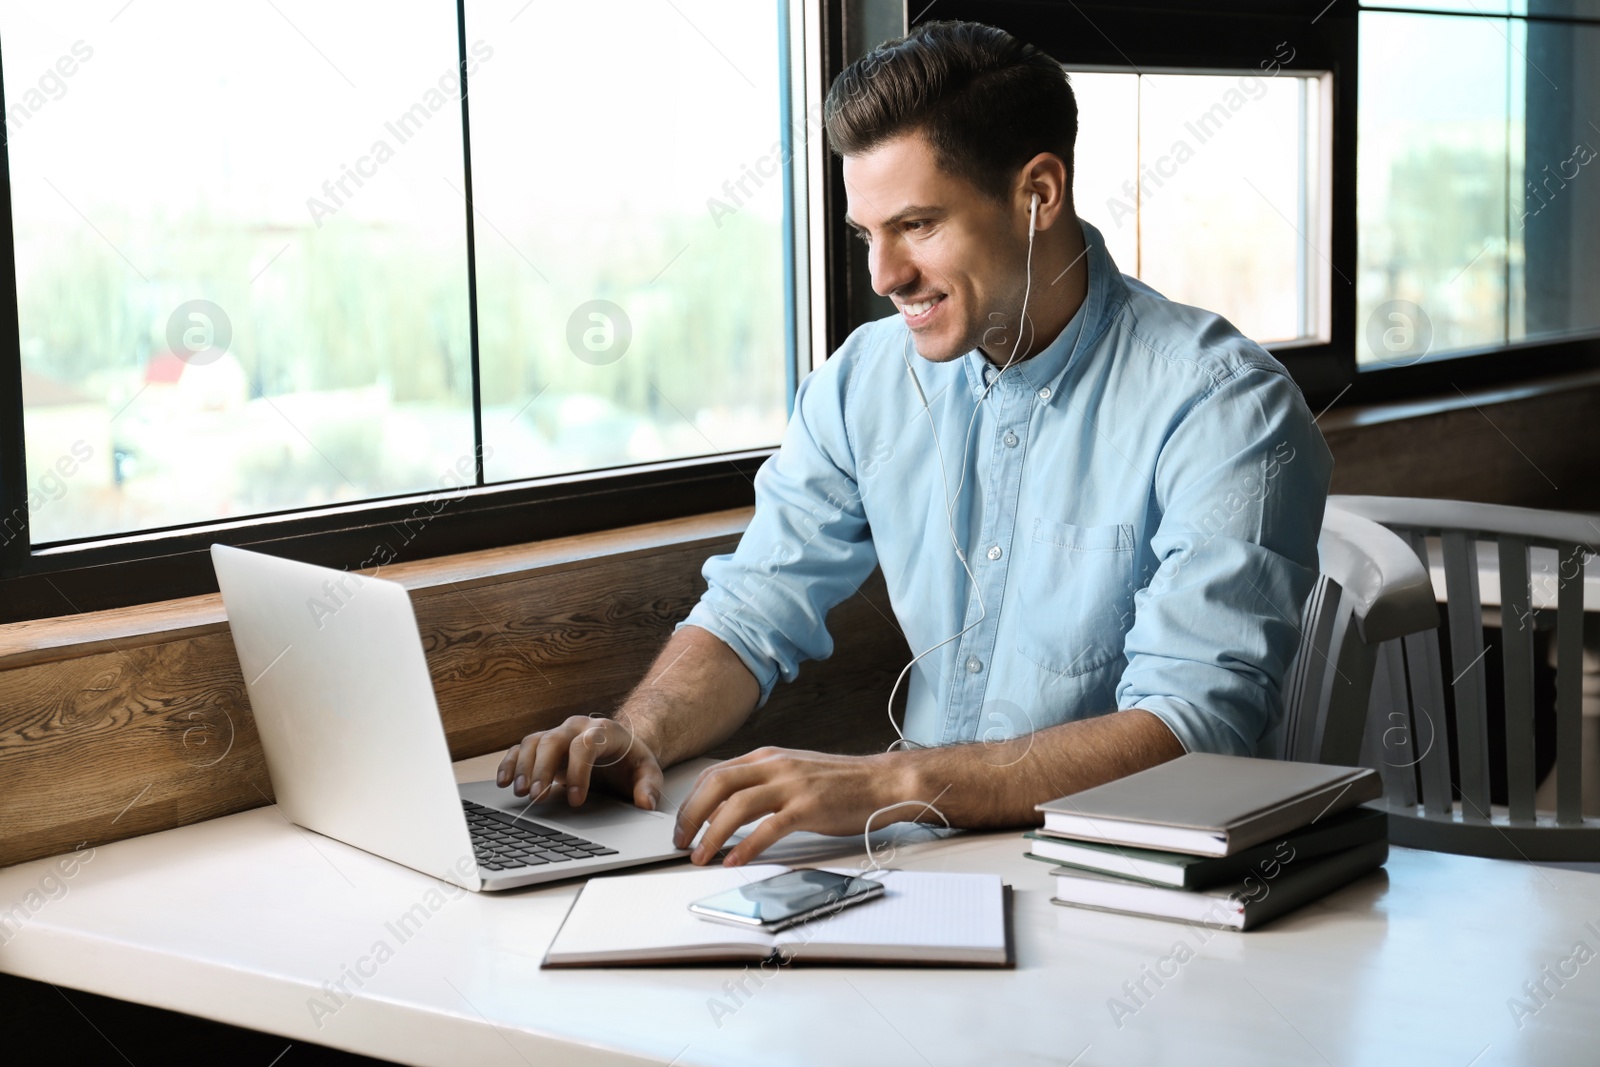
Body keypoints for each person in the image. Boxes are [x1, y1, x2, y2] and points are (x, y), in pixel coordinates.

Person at [497, 20, 1332, 866]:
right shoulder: (864, 381)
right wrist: (637, 731)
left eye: (919, 225)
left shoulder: (1225, 407)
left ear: (1038, 194)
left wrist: (890, 785)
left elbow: (1192, 729)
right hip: (918, 874)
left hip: (1128, 882)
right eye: (868, 235)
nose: (882, 276)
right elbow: (753, 611)